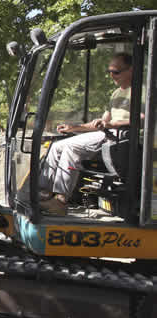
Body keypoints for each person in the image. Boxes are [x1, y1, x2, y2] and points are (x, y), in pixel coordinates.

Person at [39, 53, 135, 216]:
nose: (111, 75)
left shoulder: (142, 92)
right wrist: (73, 128)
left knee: (71, 148)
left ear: (131, 70)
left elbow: (143, 119)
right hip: (107, 132)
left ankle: (61, 201)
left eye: (116, 71)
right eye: (109, 71)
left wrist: (109, 125)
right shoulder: (116, 94)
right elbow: (100, 123)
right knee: (56, 146)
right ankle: (43, 194)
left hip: (122, 136)